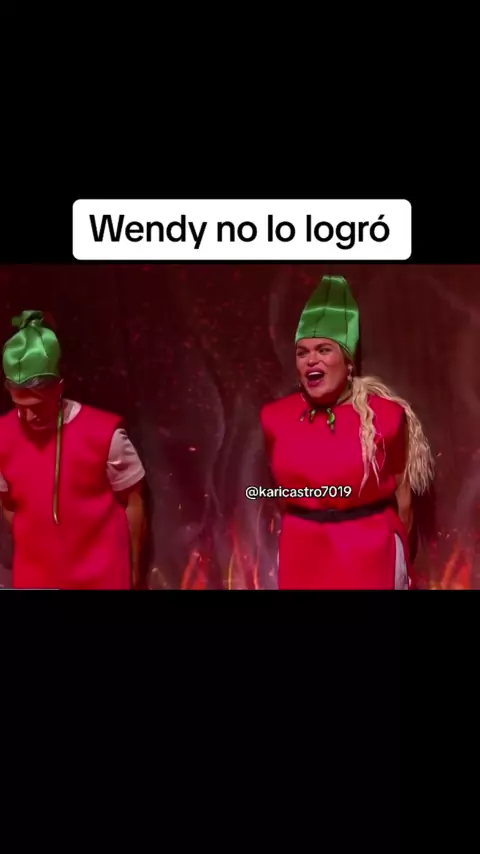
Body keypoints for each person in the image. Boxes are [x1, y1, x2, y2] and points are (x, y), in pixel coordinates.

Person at [260, 275, 434, 590]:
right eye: (302, 352)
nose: (311, 359)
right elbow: (282, 495)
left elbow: (403, 500)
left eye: (324, 349)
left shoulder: (386, 417)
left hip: (369, 557)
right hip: (302, 554)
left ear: (348, 360)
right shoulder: (275, 418)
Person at [0, 310, 146, 590]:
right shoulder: (2, 437)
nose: (29, 417)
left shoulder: (104, 434)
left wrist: (134, 572)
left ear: (59, 388)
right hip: (37, 579)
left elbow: (134, 503)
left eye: (37, 405)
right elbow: (9, 506)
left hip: (104, 576)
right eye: (20, 406)